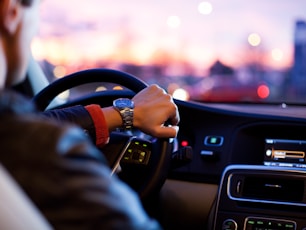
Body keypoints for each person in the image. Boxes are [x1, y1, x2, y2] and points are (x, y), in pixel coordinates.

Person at [0, 0, 180, 229]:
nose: (34, 32)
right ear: (12, 12)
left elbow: (38, 122)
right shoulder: (48, 153)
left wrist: (125, 114)